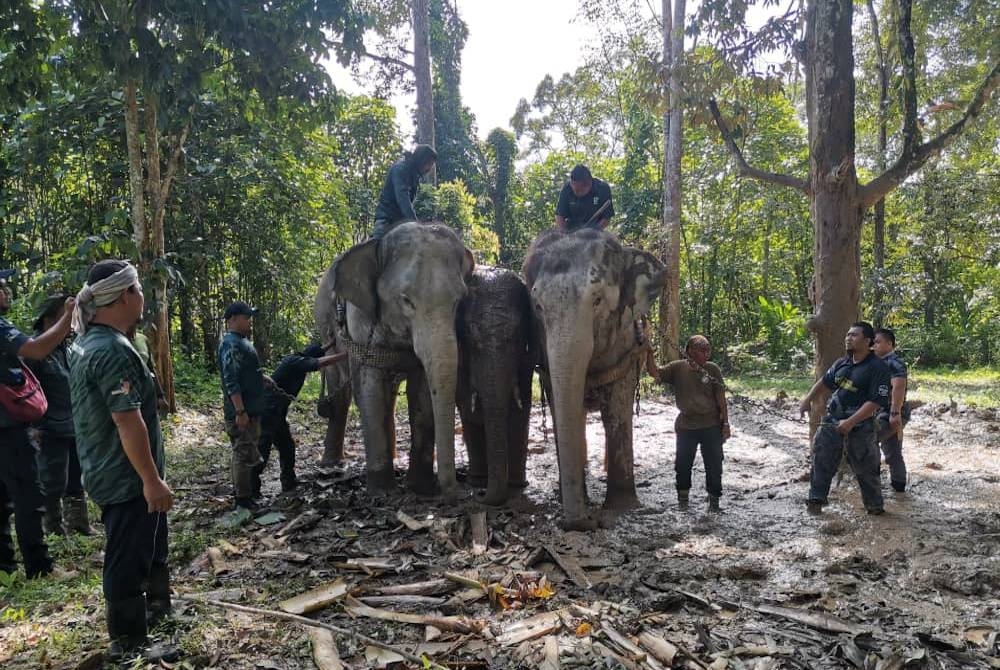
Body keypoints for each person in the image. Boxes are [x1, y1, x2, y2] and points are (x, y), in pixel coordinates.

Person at [67, 259, 176, 662]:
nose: (143, 296)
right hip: (125, 474)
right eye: (139, 289)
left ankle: (156, 607)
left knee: (146, 542)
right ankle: (128, 643)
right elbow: (127, 421)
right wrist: (151, 480)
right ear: (125, 296)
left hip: (107, 465)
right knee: (126, 556)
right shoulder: (112, 350)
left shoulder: (88, 341)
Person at [0, 268, 75, 579]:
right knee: (29, 495)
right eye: (0, 286)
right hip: (8, 427)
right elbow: (37, 349)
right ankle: (40, 568)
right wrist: (68, 315)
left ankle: (4, 568)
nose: (6, 291)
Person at [798, 321, 891, 515]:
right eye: (848, 335)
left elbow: (875, 402)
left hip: (861, 425)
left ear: (868, 341)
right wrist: (807, 400)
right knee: (821, 460)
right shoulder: (843, 363)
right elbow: (824, 382)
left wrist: (851, 422)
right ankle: (816, 501)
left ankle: (874, 507)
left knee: (866, 469)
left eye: (854, 335)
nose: (848, 338)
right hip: (833, 420)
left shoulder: (878, 368)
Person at [26, 295, 92, 536]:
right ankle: (53, 527)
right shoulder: (34, 351)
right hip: (49, 427)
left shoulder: (69, 348)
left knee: (76, 477)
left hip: (74, 424)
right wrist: (33, 427)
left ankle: (79, 523)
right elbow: (27, 392)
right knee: (53, 481)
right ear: (48, 321)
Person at [646, 335, 731, 512]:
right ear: (689, 351)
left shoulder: (712, 369)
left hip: (710, 425)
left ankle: (714, 501)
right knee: (683, 464)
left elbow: (721, 398)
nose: (706, 353)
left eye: (708, 349)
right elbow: (655, 373)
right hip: (686, 426)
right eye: (701, 349)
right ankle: (683, 501)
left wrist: (726, 424)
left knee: (714, 464)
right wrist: (648, 352)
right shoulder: (678, 368)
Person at [253, 344, 347, 496]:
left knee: (287, 447)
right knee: (263, 449)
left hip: (278, 412)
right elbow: (320, 362)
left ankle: (288, 481)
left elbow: (319, 352)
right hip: (268, 411)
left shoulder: (299, 359)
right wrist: (345, 355)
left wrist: (332, 342)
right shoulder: (295, 362)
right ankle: (251, 490)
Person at [218, 301, 265, 510]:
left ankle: (247, 494)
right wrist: (240, 411)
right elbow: (231, 380)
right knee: (242, 453)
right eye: (247, 318)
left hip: (251, 408)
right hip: (242, 411)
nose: (250, 322)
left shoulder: (241, 341)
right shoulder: (231, 344)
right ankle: (242, 500)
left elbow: (246, 373)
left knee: (247, 451)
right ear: (233, 319)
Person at [372, 144, 438, 240]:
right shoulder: (400, 169)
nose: (429, 169)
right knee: (376, 248)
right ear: (421, 160)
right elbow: (403, 199)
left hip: (401, 222)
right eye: (428, 164)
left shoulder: (414, 175)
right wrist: (417, 225)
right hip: (386, 220)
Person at [873, 327, 909, 492]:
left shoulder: (894, 362)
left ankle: (871, 483)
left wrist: (895, 413)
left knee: (868, 441)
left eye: (878, 342)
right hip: (883, 412)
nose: (875, 345)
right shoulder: (876, 362)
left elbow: (898, 386)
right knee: (892, 449)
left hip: (890, 412)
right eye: (873, 342)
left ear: (889, 343)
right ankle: (899, 486)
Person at [555, 164, 615, 232]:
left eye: (578, 190)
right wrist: (563, 232)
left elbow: (606, 218)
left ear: (588, 184)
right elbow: (560, 215)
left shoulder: (602, 189)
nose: (575, 193)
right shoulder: (567, 189)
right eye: (574, 189)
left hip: (595, 230)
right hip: (571, 231)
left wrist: (593, 232)